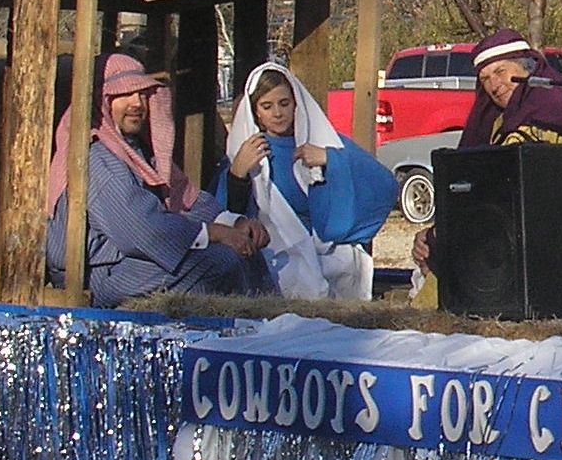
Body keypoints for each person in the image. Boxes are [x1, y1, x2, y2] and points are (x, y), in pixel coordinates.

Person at [410, 31, 562, 293]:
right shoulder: (500, 117)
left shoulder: (549, 105)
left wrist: (450, 233)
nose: (494, 84)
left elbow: (505, 185)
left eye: (500, 71)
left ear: (526, 67)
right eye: (485, 79)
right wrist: (441, 228)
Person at [45, 51, 272, 307]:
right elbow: (142, 229)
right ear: (101, 100)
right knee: (220, 264)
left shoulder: (136, 150)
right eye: (125, 95)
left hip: (136, 260)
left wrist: (235, 223)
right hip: (100, 274)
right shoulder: (96, 156)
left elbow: (184, 198)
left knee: (248, 250)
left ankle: (271, 327)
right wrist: (217, 233)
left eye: (142, 94)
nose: (138, 103)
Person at [218, 62, 399, 300]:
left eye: (284, 103)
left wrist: (331, 159)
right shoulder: (248, 153)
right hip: (275, 256)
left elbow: (384, 183)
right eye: (267, 106)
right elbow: (227, 215)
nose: (277, 113)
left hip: (328, 252)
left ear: (296, 105)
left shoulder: (323, 141)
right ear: (256, 113)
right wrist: (237, 174)